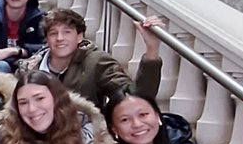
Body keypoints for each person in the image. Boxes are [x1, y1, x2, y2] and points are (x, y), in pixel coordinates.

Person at [19, 7, 163, 109]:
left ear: (79, 36)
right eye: (53, 33)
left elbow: (136, 97)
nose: (60, 38)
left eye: (67, 32)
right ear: (46, 39)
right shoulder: (29, 69)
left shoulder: (96, 62)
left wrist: (152, 49)